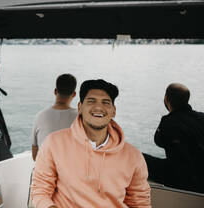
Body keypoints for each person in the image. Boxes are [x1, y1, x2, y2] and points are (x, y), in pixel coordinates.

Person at [30, 79, 151, 208]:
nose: (99, 107)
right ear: (79, 107)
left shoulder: (133, 156)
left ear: (113, 111)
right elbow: (40, 191)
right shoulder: (54, 143)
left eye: (105, 102)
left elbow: (140, 203)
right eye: (91, 101)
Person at [143, 83, 204, 193]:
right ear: (187, 99)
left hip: (181, 179)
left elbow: (159, 141)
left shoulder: (168, 122)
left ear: (166, 99)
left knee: (138, 157)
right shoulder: (202, 117)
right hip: (201, 178)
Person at [31, 73, 77, 161]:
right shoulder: (80, 118)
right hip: (69, 172)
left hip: (44, 171)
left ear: (55, 91)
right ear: (74, 94)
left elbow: (35, 156)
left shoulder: (40, 116)